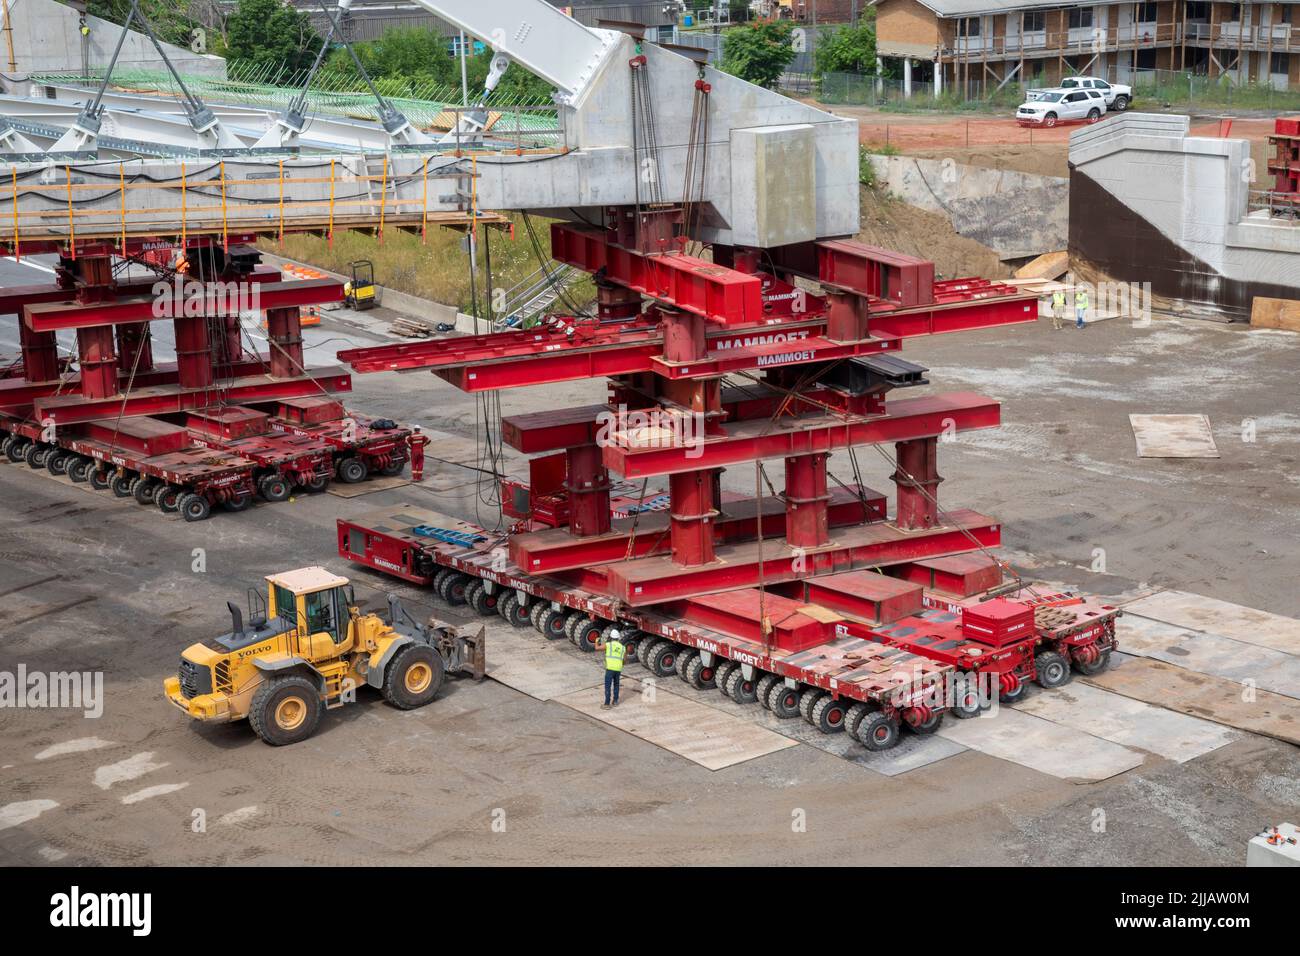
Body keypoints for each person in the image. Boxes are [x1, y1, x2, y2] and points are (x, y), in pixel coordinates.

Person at [594, 627, 626, 708]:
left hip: (610, 669)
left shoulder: (608, 645)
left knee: (608, 685)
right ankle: (615, 701)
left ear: (611, 637)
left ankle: (607, 703)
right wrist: (620, 665)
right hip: (618, 669)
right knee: (616, 684)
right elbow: (625, 660)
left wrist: (596, 641)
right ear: (618, 638)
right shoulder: (623, 647)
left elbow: (597, 648)